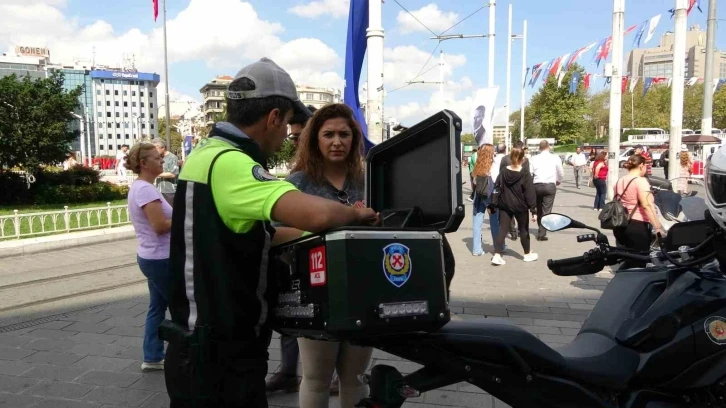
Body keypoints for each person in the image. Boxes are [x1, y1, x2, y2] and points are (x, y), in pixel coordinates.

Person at [163, 57, 379, 407]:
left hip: (202, 343)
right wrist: (359, 217)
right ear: (274, 117)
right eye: (287, 124)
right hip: (219, 352)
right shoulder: (230, 163)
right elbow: (317, 214)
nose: (286, 136)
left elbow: (260, 235)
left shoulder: (206, 154)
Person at [284, 103, 372, 408]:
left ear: (354, 139)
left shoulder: (368, 183)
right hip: (316, 292)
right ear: (314, 139)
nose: (337, 141)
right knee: (317, 378)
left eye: (344, 134)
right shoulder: (297, 185)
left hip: (365, 289)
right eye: (329, 134)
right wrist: (323, 231)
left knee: (356, 377)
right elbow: (273, 235)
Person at [265, 104, 327, 396]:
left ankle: (338, 374)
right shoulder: (297, 179)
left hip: (335, 270)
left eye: (300, 137)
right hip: (301, 264)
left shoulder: (354, 176)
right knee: (294, 314)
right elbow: (275, 229)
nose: (296, 143)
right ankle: (289, 372)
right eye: (293, 138)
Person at [125, 143, 172, 372]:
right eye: (156, 158)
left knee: (157, 307)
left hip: (152, 256)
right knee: (182, 305)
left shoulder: (142, 187)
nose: (161, 160)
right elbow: (160, 226)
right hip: (161, 259)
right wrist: (187, 217)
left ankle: (152, 356)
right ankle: (188, 353)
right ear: (144, 163)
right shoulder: (145, 189)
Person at [613, 154, 664, 269]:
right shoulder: (640, 181)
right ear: (641, 165)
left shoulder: (620, 180)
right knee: (639, 261)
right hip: (637, 225)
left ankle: (623, 281)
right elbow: (647, 205)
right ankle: (628, 284)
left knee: (629, 258)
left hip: (621, 224)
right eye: (646, 165)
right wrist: (657, 226)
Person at [489, 146, 538, 266]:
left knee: (502, 230)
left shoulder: (504, 171)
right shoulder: (524, 173)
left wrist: (492, 204)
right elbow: (529, 193)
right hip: (520, 206)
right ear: (523, 159)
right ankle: (527, 254)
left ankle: (496, 255)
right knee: (523, 230)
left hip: (505, 205)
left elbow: (497, 188)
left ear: (511, 157)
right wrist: (534, 210)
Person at [530, 140, 563, 241]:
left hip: (536, 185)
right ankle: (542, 233)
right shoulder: (555, 157)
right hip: (549, 185)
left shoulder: (533, 158)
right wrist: (558, 181)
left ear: (539, 148)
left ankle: (540, 226)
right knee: (546, 210)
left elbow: (530, 173)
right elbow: (560, 172)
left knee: (539, 208)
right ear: (548, 147)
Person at [500, 141, 530, 241]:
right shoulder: (525, 160)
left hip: (507, 190)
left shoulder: (505, 159)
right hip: (521, 191)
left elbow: (501, 174)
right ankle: (522, 232)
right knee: (522, 213)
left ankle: (513, 232)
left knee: (509, 212)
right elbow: (527, 175)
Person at [471, 145, 496, 256]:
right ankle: (499, 245)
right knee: (495, 220)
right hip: (489, 196)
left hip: (478, 195)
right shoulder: (493, 165)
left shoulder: (478, 165)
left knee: (477, 221)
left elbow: (475, 182)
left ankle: (476, 249)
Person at [152, 140, 179, 206]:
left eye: (156, 149)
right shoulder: (158, 158)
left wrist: (155, 174)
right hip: (159, 190)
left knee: (170, 214)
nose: (154, 151)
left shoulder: (172, 158)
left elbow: (172, 174)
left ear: (163, 148)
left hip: (169, 191)